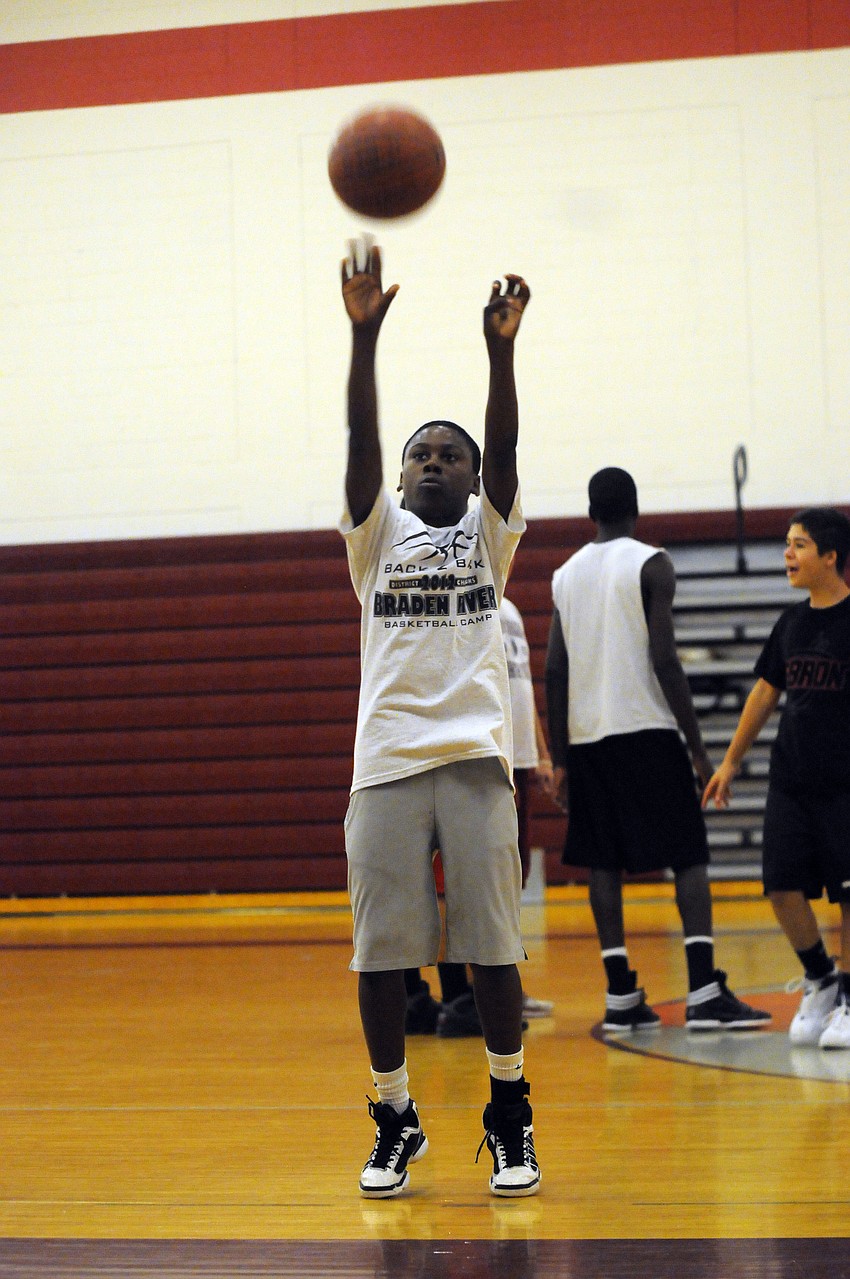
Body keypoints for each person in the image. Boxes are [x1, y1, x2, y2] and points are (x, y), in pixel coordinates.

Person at [339, 237, 540, 1198]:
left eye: (445, 453)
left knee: (493, 948)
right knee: (380, 958)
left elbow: (504, 448)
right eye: (419, 451)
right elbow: (359, 451)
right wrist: (363, 342)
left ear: (469, 479)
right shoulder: (375, 541)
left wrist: (499, 356)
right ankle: (394, 1114)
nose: (428, 461)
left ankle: (509, 1112)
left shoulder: (486, 537)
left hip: (470, 758)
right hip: (383, 765)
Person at [544, 467, 771, 1033]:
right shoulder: (652, 562)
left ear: (590, 511)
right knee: (688, 854)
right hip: (647, 728)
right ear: (636, 508)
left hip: (589, 737)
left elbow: (554, 670)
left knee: (603, 861)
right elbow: (665, 659)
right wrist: (697, 750)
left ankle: (620, 993)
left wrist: (563, 759)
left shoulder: (564, 575)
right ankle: (702, 989)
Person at [703, 507, 850, 1050]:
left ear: (831, 556)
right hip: (791, 780)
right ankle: (822, 978)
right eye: (788, 544)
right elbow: (765, 692)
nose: (788, 554)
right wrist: (731, 761)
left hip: (843, 786)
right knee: (780, 885)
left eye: (800, 546)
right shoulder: (790, 624)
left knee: (848, 894)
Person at [405, 595, 555, 1039]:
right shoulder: (456, 602)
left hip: (516, 756)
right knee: (457, 883)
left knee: (505, 881)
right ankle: (458, 995)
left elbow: (521, 688)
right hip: (479, 755)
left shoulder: (508, 609)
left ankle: (489, 983)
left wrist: (541, 753)